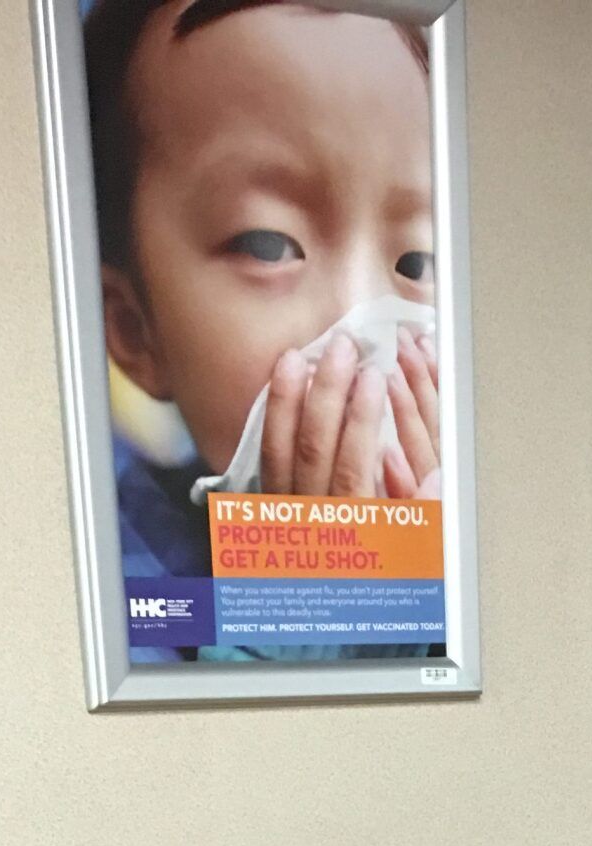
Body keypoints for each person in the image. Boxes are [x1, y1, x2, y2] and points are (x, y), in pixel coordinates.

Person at [83, 0, 441, 653]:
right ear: (135, 330)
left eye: (419, 261)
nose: (358, 327)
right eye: (269, 245)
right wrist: (312, 612)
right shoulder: (119, 589)